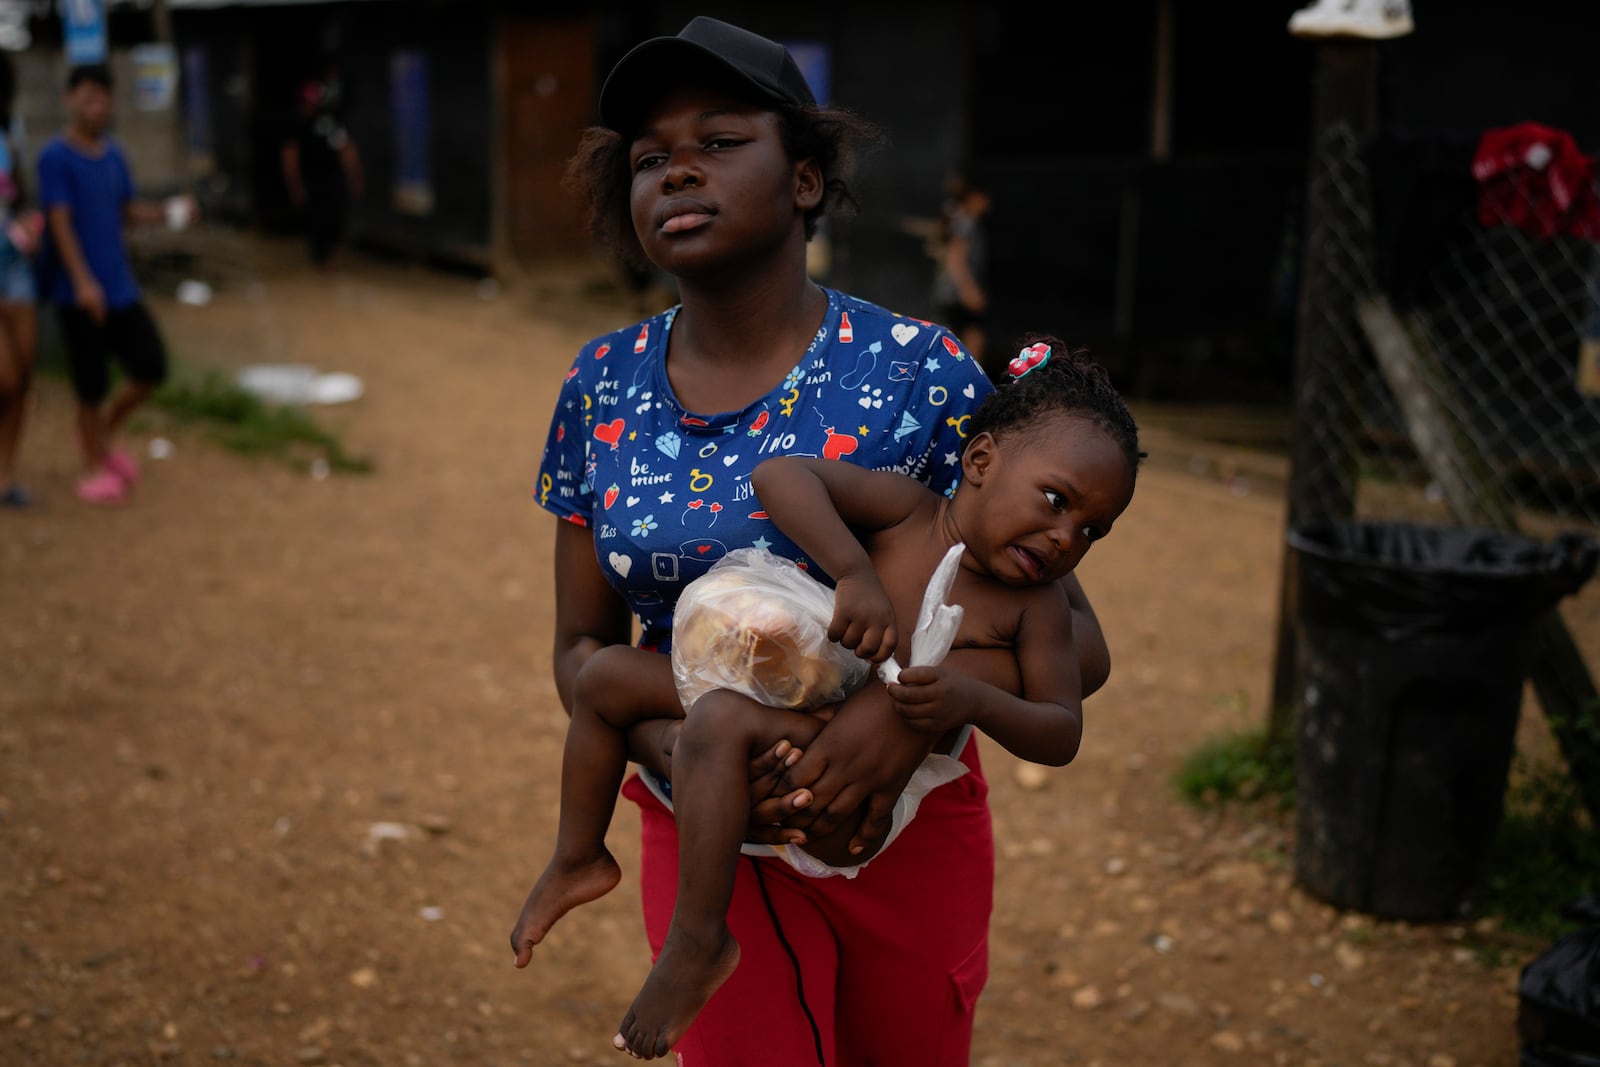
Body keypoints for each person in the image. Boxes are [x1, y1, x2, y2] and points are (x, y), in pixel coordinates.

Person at [512, 17, 1114, 1066]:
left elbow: (1069, 633)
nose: (677, 169)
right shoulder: (599, 383)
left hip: (896, 827)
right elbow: (579, 646)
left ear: (802, 178)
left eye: (718, 140)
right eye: (650, 158)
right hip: (702, 828)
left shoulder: (915, 370)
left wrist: (896, 718)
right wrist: (672, 751)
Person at [519, 333, 1140, 1059]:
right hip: (796, 695)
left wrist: (967, 698)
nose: (1066, 535)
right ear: (979, 462)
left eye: (1093, 529)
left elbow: (1060, 726)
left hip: (857, 790)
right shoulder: (909, 513)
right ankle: (580, 855)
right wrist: (855, 572)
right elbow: (783, 477)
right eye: (1057, 500)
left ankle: (695, 942)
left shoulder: (1031, 608)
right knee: (611, 681)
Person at [36, 63, 189, 507]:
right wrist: (83, 283)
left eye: (104, 98)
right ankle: (91, 467)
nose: (97, 106)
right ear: (69, 100)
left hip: (120, 287)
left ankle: (101, 438)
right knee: (90, 383)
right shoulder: (55, 158)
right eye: (89, 98)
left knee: (150, 366)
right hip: (78, 293)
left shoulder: (114, 154)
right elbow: (58, 223)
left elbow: (126, 210)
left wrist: (168, 213)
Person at [0, 50, 40, 508]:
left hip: (16, 266)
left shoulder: (13, 132)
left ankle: (6, 475)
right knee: (5, 379)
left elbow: (23, 196)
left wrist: (29, 222)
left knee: (23, 377)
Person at [280, 76, 363, 271]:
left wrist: (355, 176)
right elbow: (289, 159)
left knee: (334, 221)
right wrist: (296, 186)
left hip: (332, 182)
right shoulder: (297, 125)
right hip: (312, 183)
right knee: (317, 225)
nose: (311, 105)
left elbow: (347, 151)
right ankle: (320, 264)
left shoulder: (330, 123)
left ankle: (329, 261)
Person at [931, 175, 993, 374]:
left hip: (950, 292)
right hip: (955, 293)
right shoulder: (965, 223)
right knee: (972, 336)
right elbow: (955, 258)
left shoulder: (961, 220)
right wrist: (968, 289)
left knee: (959, 335)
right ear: (973, 197)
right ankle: (970, 378)